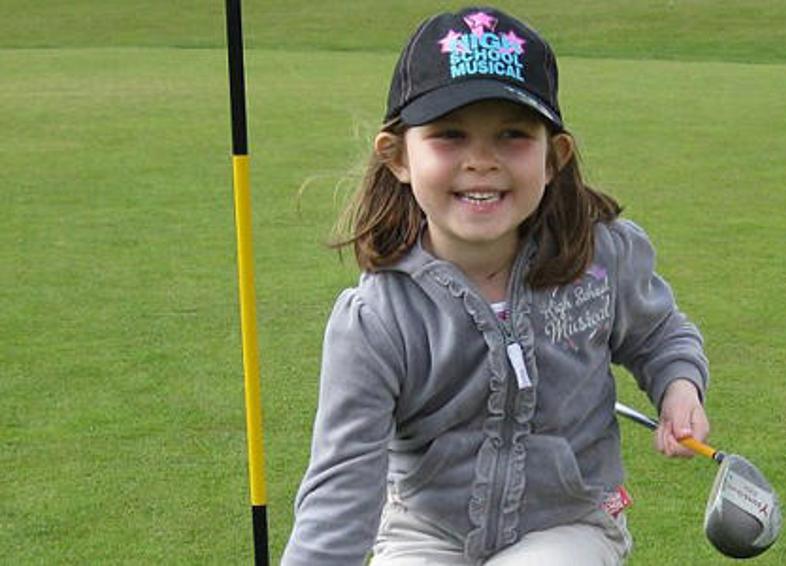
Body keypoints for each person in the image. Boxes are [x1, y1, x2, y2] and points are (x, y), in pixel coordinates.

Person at [282, 6, 710, 565]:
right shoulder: (375, 320)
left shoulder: (601, 258)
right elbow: (340, 490)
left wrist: (679, 386)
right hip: (424, 532)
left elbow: (658, 335)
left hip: (571, 522)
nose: (480, 161)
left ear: (554, 157)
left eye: (512, 135)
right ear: (398, 157)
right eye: (449, 135)